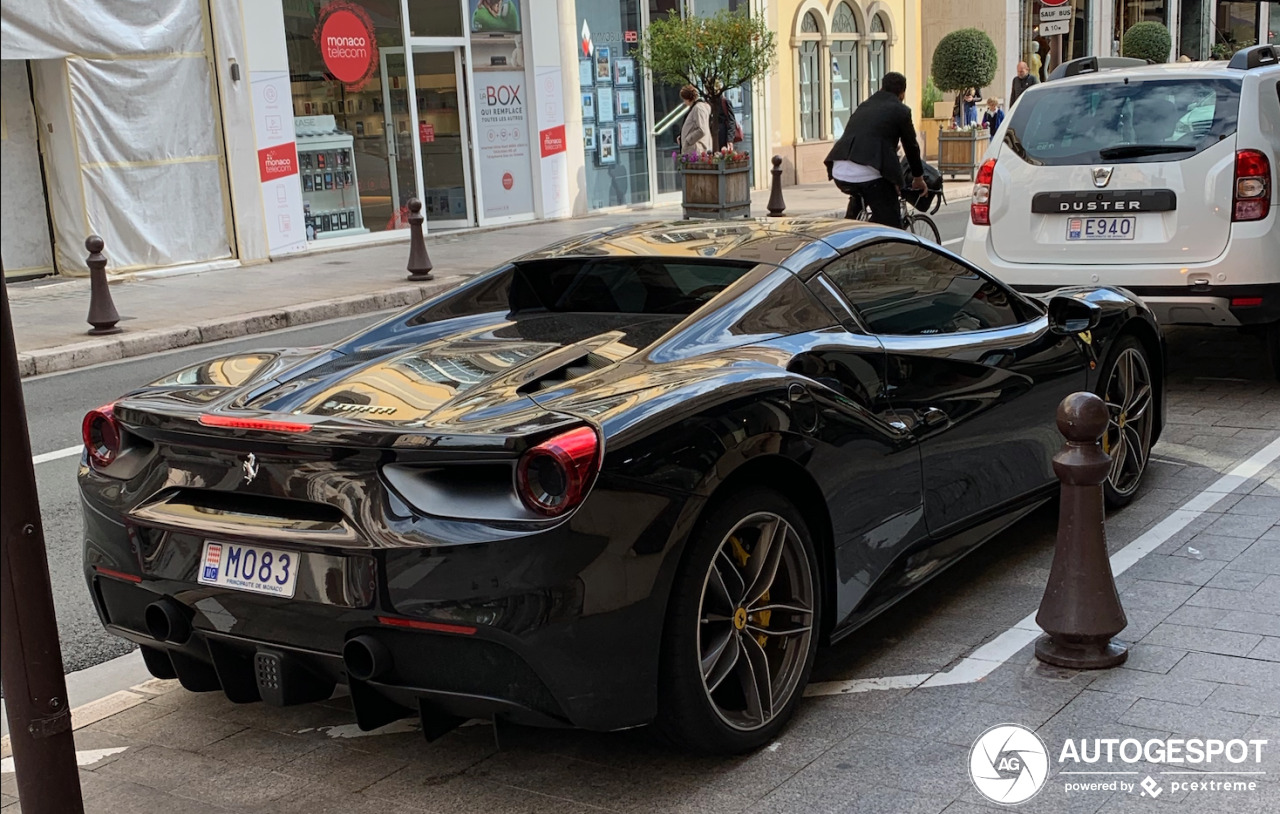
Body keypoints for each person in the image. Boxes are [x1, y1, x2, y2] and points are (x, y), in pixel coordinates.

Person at [824, 71, 927, 228]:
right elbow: (911, 146)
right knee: (892, 227)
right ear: (902, 93)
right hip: (868, 174)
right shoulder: (901, 111)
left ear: (881, 87)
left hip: (839, 171)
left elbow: (866, 137)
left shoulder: (864, 106)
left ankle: (848, 227)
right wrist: (918, 178)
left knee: (859, 200)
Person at [677, 85, 712, 155]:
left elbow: (701, 130)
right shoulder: (696, 108)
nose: (684, 102)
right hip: (695, 148)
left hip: (696, 149)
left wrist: (688, 140)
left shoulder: (698, 108)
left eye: (684, 99)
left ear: (688, 98)